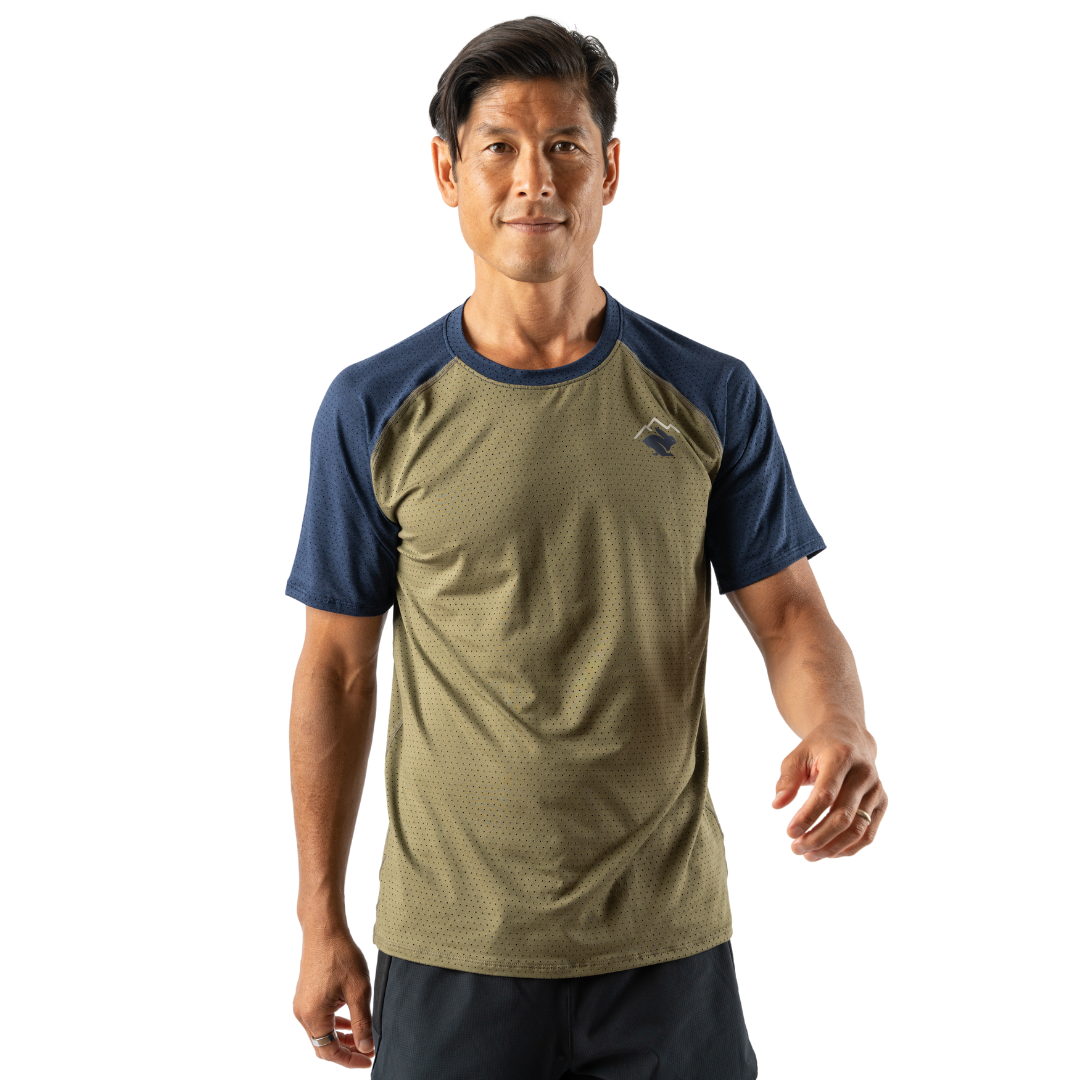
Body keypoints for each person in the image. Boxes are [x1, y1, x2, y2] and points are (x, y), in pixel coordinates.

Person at [286, 16, 886, 1078]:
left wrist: (840, 725)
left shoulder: (707, 393)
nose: (534, 179)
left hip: (665, 947)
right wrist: (317, 919)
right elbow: (336, 669)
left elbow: (791, 613)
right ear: (447, 173)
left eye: (564, 145)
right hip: (452, 948)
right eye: (500, 148)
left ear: (609, 169)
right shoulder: (373, 408)